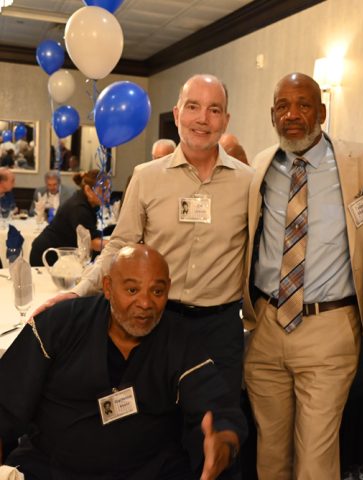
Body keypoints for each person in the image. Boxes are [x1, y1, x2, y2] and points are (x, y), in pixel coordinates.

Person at [36, 74, 254, 409]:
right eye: (193, 107)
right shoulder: (146, 177)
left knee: (218, 423)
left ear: (225, 120)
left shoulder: (249, 182)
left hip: (219, 330)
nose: (202, 118)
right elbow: (118, 246)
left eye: (214, 110)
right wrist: (78, 292)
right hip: (155, 321)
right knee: (153, 422)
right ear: (177, 114)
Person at [242, 72, 363, 479]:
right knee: (270, 453)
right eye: (282, 106)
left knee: (315, 460)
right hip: (266, 326)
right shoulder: (258, 167)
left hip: (330, 328)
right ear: (272, 115)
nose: (292, 115)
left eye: (303, 105)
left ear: (322, 112)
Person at [0, 244, 246, 479]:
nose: (145, 303)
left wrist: (223, 442)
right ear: (107, 287)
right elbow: (6, 401)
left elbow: (217, 408)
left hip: (150, 472)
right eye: (132, 290)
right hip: (51, 469)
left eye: (157, 292)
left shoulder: (178, 339)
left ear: (168, 289)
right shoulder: (61, 324)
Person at [29, 169, 108, 266]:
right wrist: (117, 246)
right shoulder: (79, 208)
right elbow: (92, 243)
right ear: (88, 190)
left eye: (109, 190)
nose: (107, 195)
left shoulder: (86, 201)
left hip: (57, 254)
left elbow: (91, 234)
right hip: (46, 255)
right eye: (103, 190)